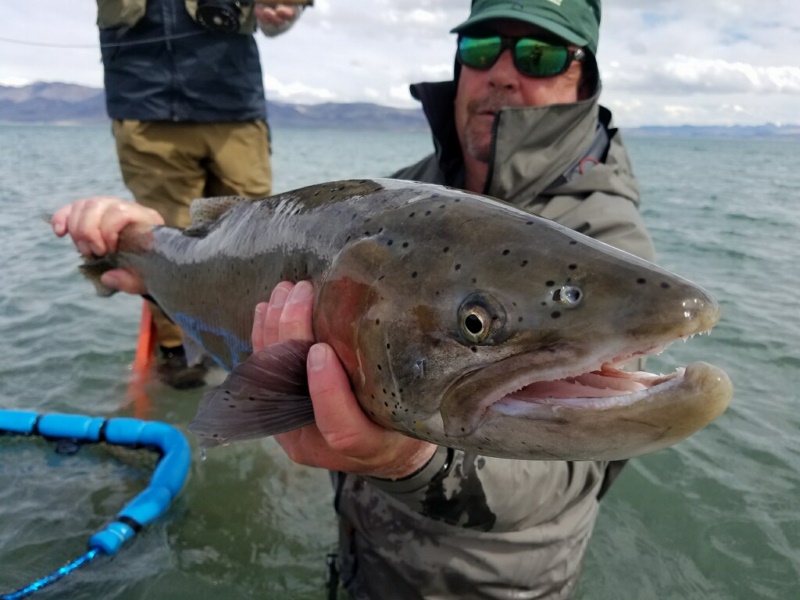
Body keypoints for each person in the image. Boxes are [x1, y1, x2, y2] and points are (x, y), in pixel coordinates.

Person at [53, 0, 658, 597]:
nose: (502, 71)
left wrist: (406, 459)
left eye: (538, 53)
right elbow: (234, 276)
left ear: (586, 76)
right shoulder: (407, 191)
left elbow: (576, 472)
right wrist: (148, 254)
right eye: (480, 48)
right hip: (360, 553)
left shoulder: (606, 240)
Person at [96, 0, 304, 388]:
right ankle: (178, 356)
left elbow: (280, 15)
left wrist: (284, 12)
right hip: (145, 105)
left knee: (256, 241)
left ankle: (251, 347)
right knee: (164, 245)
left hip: (234, 106)